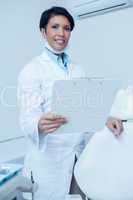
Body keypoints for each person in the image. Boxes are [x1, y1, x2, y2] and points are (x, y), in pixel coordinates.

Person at [17, 6, 121, 200]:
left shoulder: (78, 70)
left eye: (66, 28)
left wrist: (104, 118)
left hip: (76, 158)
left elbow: (84, 110)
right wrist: (38, 124)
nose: (61, 33)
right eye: (55, 27)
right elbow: (26, 119)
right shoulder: (31, 70)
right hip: (48, 163)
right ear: (43, 32)